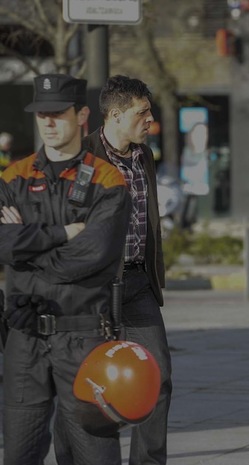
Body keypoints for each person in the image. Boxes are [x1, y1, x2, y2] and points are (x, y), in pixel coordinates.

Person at [0, 73, 130, 464]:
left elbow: (92, 255)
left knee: (96, 453)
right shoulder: (13, 177)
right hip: (24, 338)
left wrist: (23, 245)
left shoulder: (108, 180)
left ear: (82, 115)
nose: (49, 122)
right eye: (42, 115)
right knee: (19, 453)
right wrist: (62, 234)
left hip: (84, 338)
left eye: (58, 114)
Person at [83, 75, 172, 465]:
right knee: (86, 382)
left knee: (158, 377)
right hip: (94, 287)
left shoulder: (144, 155)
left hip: (137, 283)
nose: (150, 119)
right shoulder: (83, 155)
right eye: (142, 112)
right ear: (116, 115)